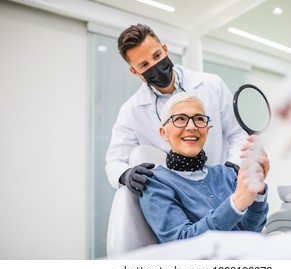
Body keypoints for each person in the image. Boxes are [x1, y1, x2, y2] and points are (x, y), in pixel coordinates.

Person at [105, 23, 250, 196]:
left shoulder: (212, 85)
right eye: (144, 65)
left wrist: (233, 167)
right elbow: (115, 161)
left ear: (165, 49)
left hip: (224, 186)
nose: (155, 66)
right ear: (134, 71)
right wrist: (125, 174)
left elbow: (238, 134)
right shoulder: (132, 110)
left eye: (157, 55)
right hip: (179, 197)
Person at [139, 92, 269, 243]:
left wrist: (257, 192)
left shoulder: (227, 174)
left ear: (207, 130)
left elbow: (251, 231)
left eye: (199, 119)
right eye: (180, 119)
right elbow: (181, 243)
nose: (192, 127)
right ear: (164, 133)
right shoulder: (156, 183)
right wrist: (236, 203)